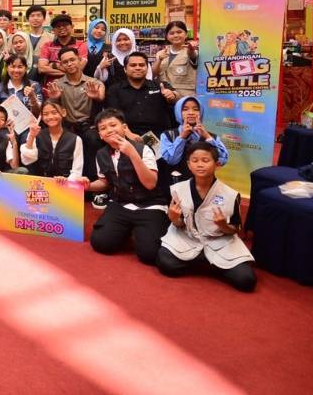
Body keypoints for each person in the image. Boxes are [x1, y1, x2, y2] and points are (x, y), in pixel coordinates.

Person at [157, 142, 256, 291]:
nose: (200, 165)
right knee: (166, 264)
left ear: (217, 164)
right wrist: (173, 218)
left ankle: (208, 262)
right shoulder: (178, 189)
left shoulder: (230, 194)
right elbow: (179, 225)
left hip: (220, 242)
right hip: (188, 239)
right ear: (189, 165)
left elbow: (234, 229)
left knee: (246, 281)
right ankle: (210, 264)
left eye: (205, 160)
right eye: (195, 161)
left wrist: (223, 225)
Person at [88, 109, 170, 265]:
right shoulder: (101, 154)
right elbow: (104, 182)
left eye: (113, 125)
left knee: (149, 254)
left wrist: (132, 154)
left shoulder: (143, 149)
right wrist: (88, 185)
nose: (109, 130)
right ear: (100, 135)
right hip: (121, 203)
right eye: (103, 128)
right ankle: (127, 230)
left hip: (149, 204)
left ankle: (141, 231)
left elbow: (150, 183)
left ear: (124, 127)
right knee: (101, 243)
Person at [45, 47, 105, 180]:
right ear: (61, 65)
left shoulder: (94, 82)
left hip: (88, 126)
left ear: (79, 60)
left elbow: (101, 97)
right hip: (67, 126)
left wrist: (96, 97)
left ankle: (93, 184)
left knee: (94, 139)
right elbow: (49, 108)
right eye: (65, 62)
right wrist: (54, 98)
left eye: (72, 60)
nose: (69, 64)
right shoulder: (57, 84)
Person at [105, 51, 178, 140]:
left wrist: (172, 95)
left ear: (147, 68)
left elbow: (177, 97)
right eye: (133, 65)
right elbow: (114, 115)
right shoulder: (114, 90)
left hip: (160, 135)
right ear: (125, 69)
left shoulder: (160, 86)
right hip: (127, 136)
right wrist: (128, 134)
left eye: (141, 65)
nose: (138, 68)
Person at [159, 96, 228, 181]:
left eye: (196, 109)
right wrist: (182, 137)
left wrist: (207, 137)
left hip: (204, 185)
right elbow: (171, 160)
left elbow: (222, 160)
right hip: (175, 185)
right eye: (185, 109)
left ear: (201, 112)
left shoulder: (211, 136)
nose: (191, 113)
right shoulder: (168, 135)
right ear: (178, 112)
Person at [20, 101, 85, 180]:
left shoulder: (75, 139)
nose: (50, 117)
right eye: (46, 114)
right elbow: (26, 160)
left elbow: (77, 171)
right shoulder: (36, 135)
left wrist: (67, 180)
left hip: (65, 185)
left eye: (54, 112)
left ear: (63, 112)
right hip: (40, 183)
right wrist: (31, 136)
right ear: (42, 117)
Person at [37, 14, 87, 87]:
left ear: (72, 27)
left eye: (65, 24)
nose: (61, 27)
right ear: (53, 30)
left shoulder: (81, 45)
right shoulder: (47, 46)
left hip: (75, 87)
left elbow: (79, 68)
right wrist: (70, 71)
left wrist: (55, 65)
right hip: (52, 87)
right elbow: (42, 68)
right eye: (57, 26)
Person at [152, 21, 198, 97]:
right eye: (171, 33)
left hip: (184, 97)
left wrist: (191, 50)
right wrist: (159, 60)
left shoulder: (193, 51)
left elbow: (192, 56)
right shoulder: (161, 53)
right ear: (167, 36)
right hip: (164, 96)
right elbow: (154, 73)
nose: (176, 35)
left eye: (179, 32)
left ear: (186, 34)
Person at [24, 5, 52, 81]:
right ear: (27, 19)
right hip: (24, 76)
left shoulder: (52, 38)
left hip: (44, 77)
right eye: (32, 16)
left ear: (44, 19)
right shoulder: (22, 37)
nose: (35, 18)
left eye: (39, 15)